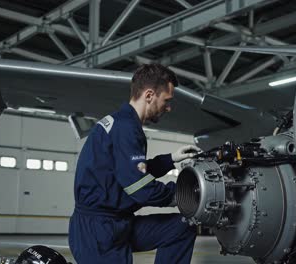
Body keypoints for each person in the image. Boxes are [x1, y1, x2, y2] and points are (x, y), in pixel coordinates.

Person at [69, 64, 201, 264]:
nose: (168, 107)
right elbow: (140, 188)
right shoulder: (127, 129)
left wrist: (170, 159)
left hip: (118, 222)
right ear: (149, 95)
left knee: (182, 226)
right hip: (99, 232)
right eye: (166, 100)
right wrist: (183, 195)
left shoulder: (121, 122)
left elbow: (129, 172)